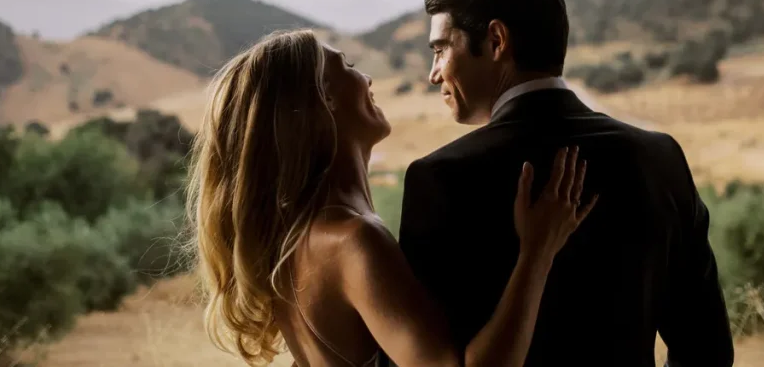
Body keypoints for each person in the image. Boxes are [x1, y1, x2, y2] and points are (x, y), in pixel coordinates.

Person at [387, 0, 734, 367]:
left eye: (441, 49)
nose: (434, 72)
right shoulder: (659, 157)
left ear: (496, 41)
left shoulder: (441, 178)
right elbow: (707, 350)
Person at [185, 28, 598, 367]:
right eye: (346, 66)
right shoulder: (353, 241)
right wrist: (538, 252)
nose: (366, 78)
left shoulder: (300, 233)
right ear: (322, 99)